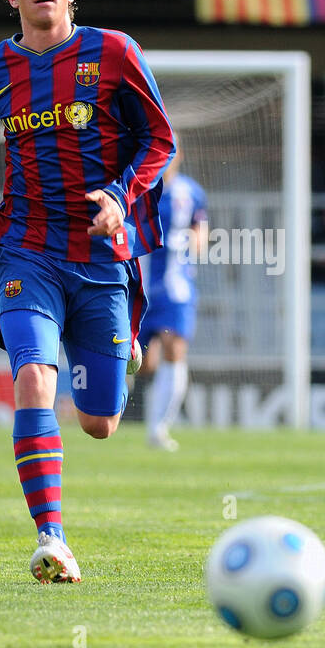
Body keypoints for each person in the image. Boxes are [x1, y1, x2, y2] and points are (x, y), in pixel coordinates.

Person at [0, 0, 177, 584]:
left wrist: (122, 197)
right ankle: (52, 537)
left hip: (101, 257)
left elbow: (160, 139)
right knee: (34, 377)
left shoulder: (115, 53)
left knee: (99, 421)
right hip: (25, 252)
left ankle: (120, 340)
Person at [137, 146, 208, 451]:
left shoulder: (191, 192)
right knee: (140, 363)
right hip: (138, 288)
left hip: (176, 289)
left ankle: (158, 430)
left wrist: (196, 241)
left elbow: (201, 232)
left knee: (174, 349)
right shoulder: (138, 187)